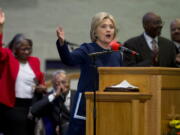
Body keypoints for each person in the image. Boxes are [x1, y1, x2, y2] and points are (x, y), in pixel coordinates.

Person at [55, 12, 123, 135]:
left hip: (109, 105)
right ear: (95, 31)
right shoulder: (87, 49)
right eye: (103, 26)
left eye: (111, 27)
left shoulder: (117, 53)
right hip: (86, 105)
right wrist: (62, 43)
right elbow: (69, 60)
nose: (108, 30)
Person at [0, 9, 46, 135]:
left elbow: (40, 79)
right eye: (23, 49)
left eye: (29, 48)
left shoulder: (35, 61)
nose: (26, 51)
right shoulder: (9, 58)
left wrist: (41, 87)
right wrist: (1, 26)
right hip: (13, 106)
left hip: (31, 107)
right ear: (14, 49)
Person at [31, 70, 76, 135]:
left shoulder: (77, 95)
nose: (61, 86)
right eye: (57, 84)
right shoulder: (51, 97)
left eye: (64, 82)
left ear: (69, 82)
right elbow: (34, 110)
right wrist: (54, 95)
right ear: (53, 85)